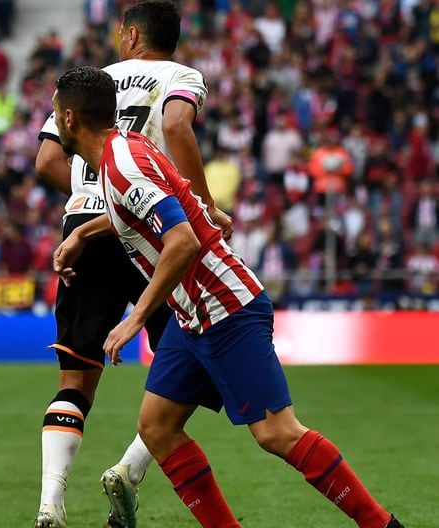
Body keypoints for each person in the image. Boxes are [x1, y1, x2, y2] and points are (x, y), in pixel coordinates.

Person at [51, 65, 403, 528]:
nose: (53, 122)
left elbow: (182, 240)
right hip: (191, 314)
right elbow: (167, 205)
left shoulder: (122, 166)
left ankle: (382, 525)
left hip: (225, 306)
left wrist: (136, 316)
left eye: (56, 113)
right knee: (157, 427)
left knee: (277, 432)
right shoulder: (127, 153)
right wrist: (85, 234)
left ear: (71, 118)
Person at [32, 2, 230, 526]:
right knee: (188, 371)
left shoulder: (92, 84)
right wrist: (204, 204)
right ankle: (128, 470)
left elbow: (47, 160)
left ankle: (51, 502)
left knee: (75, 380)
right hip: (153, 229)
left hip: (86, 227)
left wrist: (93, 198)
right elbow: (178, 124)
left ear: (132, 34)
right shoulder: (181, 76)